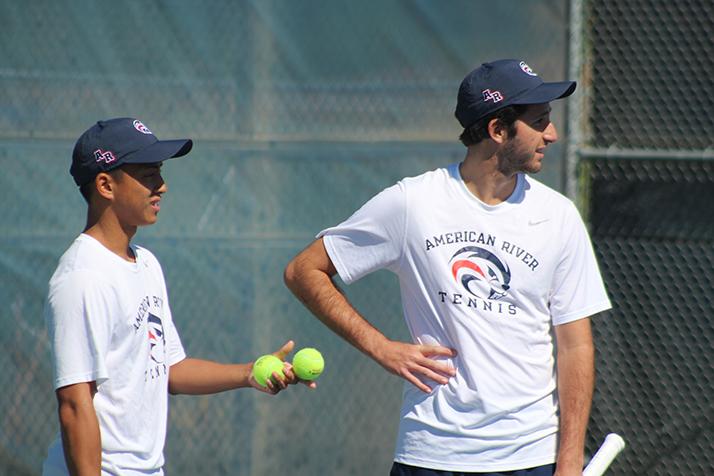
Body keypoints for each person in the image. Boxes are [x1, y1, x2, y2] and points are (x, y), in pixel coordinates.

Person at [284, 59, 611, 476]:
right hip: (430, 454)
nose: (552, 133)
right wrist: (381, 347)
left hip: (530, 458)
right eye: (540, 120)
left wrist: (568, 462)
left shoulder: (559, 216)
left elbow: (575, 345)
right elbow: (304, 270)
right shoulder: (412, 203)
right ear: (497, 130)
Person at [42, 118, 313, 476]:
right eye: (148, 175)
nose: (162, 187)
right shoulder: (82, 278)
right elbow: (75, 404)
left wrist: (249, 373)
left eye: (160, 173)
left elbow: (168, 369)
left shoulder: (147, 264)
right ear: (106, 185)